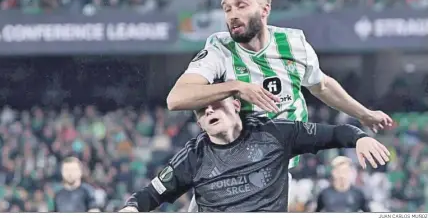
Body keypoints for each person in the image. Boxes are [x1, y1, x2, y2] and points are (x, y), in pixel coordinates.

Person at [166, 0, 393, 210]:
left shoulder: (294, 44)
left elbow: (322, 85)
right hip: (224, 172)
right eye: (227, 8)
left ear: (265, 10)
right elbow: (176, 98)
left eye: (241, 5)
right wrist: (236, 87)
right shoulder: (220, 49)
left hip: (273, 173)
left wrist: (363, 114)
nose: (232, 14)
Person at [119, 97, 389, 212]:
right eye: (202, 112)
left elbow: (332, 133)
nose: (209, 112)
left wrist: (359, 137)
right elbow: (151, 194)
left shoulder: (275, 133)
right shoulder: (194, 155)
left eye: (215, 105)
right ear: (199, 123)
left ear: (236, 105)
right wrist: (132, 208)